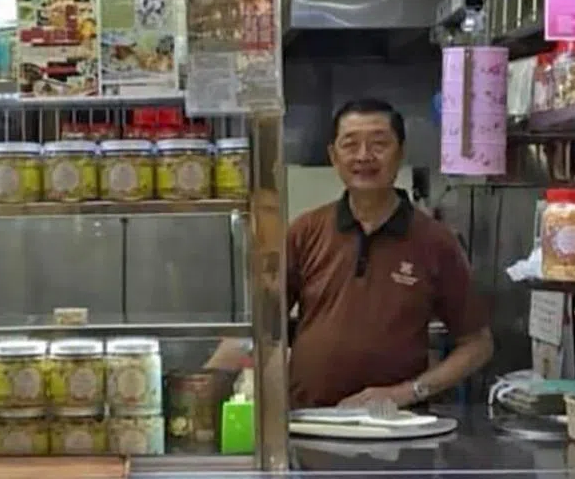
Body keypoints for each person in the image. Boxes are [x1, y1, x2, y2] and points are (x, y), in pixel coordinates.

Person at [208, 97, 492, 410]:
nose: (364, 156)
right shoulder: (305, 231)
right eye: (350, 144)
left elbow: (477, 344)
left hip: (396, 428)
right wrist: (204, 389)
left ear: (401, 152)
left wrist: (407, 392)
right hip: (309, 420)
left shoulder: (437, 241)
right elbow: (262, 325)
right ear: (333, 155)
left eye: (379, 143)